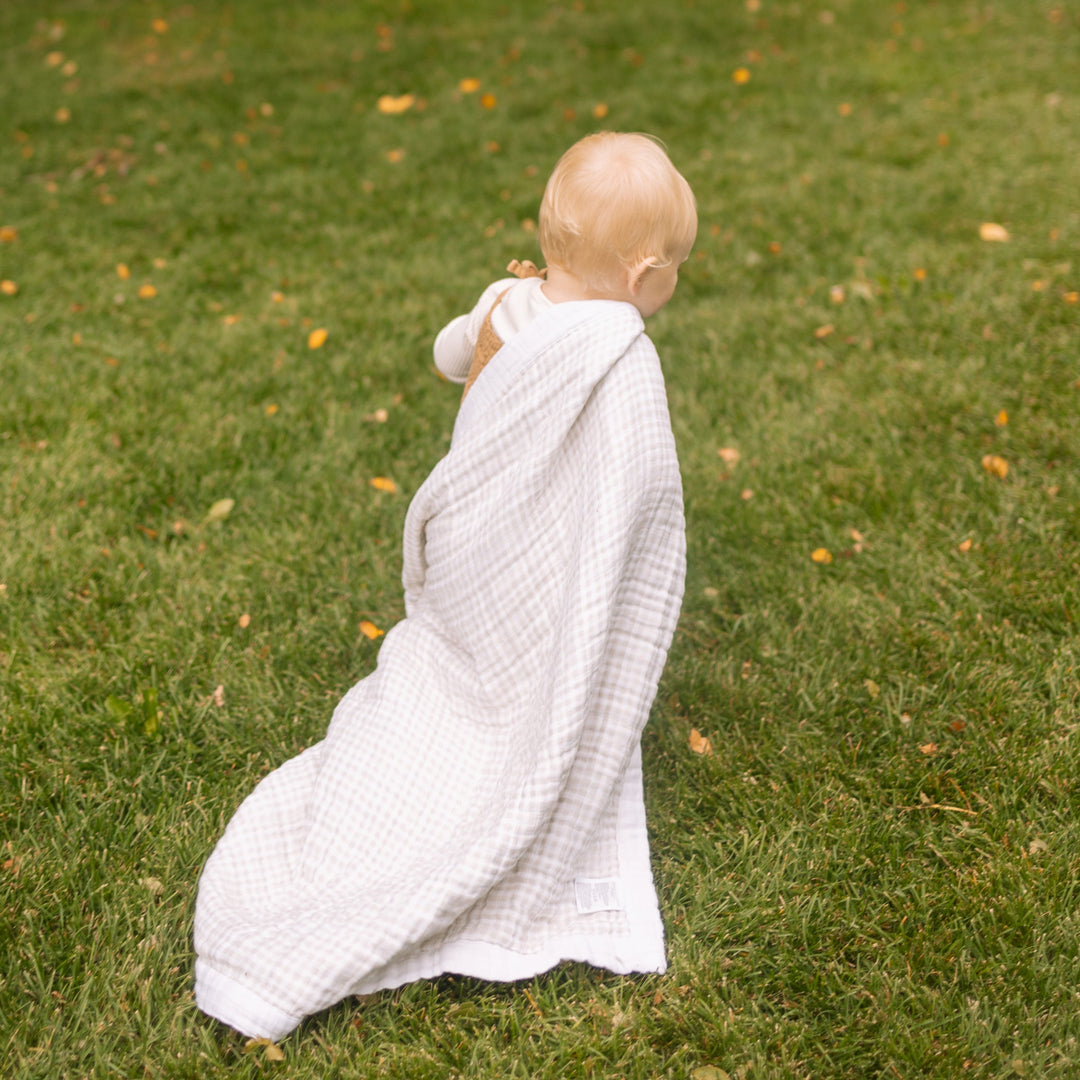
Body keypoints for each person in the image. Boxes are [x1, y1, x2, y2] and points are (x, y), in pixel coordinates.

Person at [193, 132, 696, 1041]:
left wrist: (483, 334)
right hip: (532, 559)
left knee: (456, 651)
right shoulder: (621, 356)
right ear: (647, 274)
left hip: (468, 545)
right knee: (528, 668)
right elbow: (638, 486)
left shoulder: (505, 303)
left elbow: (447, 354)